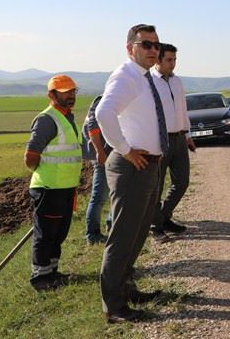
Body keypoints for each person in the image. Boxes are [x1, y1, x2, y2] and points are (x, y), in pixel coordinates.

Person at [95, 24, 167, 324]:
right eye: (146, 44)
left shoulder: (144, 77)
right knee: (123, 237)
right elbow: (103, 113)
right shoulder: (126, 76)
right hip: (132, 166)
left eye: (156, 45)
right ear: (130, 48)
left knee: (137, 234)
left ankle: (126, 289)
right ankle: (113, 306)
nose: (153, 50)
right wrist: (125, 150)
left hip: (146, 165)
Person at [23, 74, 82, 291]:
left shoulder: (67, 117)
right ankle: (40, 279)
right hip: (49, 188)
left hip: (65, 187)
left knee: (58, 234)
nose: (71, 96)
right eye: (65, 92)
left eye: (73, 91)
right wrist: (42, 173)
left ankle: (52, 273)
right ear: (52, 95)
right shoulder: (47, 119)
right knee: (46, 234)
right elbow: (30, 156)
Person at [150, 43, 196, 242]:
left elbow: (183, 110)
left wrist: (188, 135)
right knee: (156, 186)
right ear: (158, 60)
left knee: (182, 182)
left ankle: (162, 217)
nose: (173, 64)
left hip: (179, 138)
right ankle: (156, 226)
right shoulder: (149, 82)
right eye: (169, 60)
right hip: (158, 140)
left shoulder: (177, 81)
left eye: (175, 59)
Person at [83, 94, 112, 244]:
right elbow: (92, 127)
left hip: (112, 153)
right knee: (99, 196)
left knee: (117, 192)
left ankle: (112, 224)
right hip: (102, 155)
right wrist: (100, 152)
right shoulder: (102, 101)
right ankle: (92, 235)